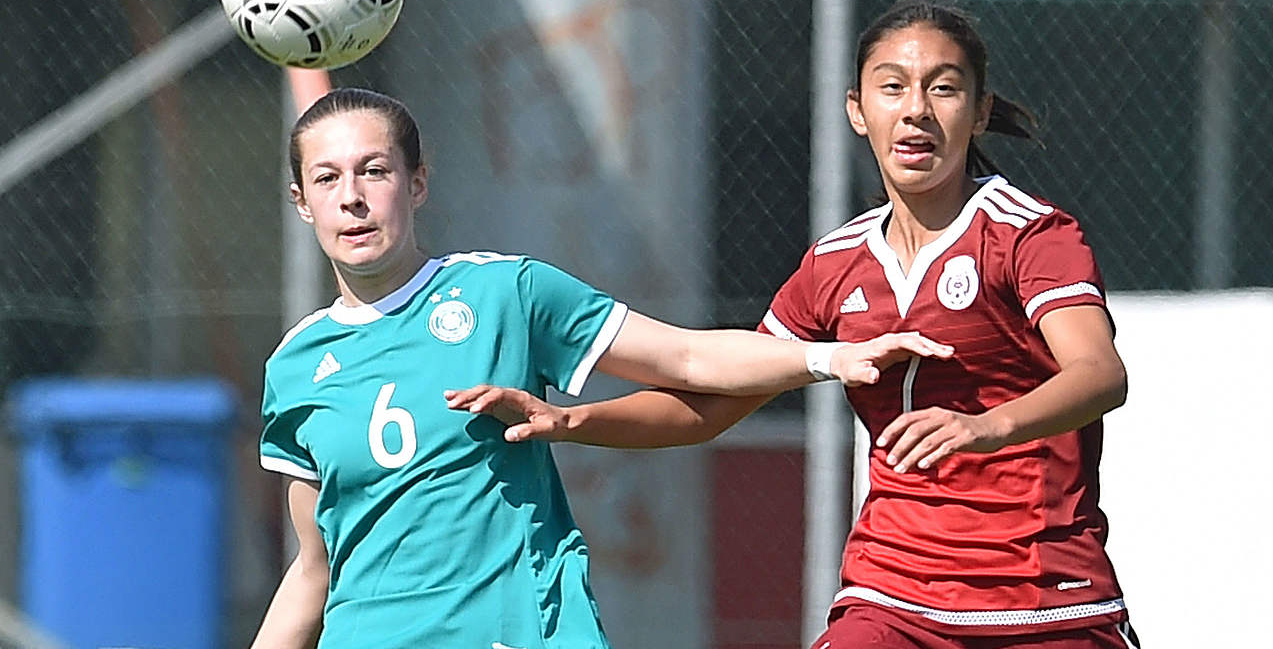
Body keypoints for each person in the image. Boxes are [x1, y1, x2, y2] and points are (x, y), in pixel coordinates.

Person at [448, 0, 1139, 648]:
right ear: (858, 110)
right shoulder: (835, 264)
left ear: (980, 112)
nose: (917, 112)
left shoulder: (1029, 234)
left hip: (1043, 594)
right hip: (892, 594)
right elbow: (715, 403)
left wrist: (988, 426)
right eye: (892, 87)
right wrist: (573, 422)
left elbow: (1100, 374)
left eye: (944, 88)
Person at [250, 86, 956, 649]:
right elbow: (316, 568)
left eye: (375, 170)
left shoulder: (506, 294)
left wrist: (831, 357)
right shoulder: (295, 367)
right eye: (327, 177)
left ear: (418, 183)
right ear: (301, 203)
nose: (352, 195)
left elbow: (684, 355)